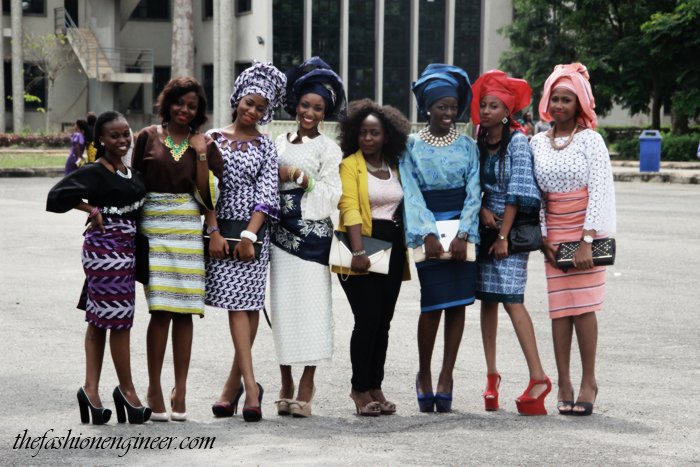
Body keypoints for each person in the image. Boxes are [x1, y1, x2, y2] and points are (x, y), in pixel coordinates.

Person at [47, 111, 150, 425]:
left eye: (125, 133)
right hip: (104, 251)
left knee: (100, 318)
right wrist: (91, 208)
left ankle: (90, 390)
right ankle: (127, 392)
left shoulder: (130, 172)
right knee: (118, 320)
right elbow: (57, 195)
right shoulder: (94, 171)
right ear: (101, 140)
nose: (122, 140)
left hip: (127, 251)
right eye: (114, 136)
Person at [132, 77, 221, 422]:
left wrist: (201, 153)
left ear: (199, 111)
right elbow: (133, 185)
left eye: (192, 106)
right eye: (179, 103)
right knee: (160, 310)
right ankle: (154, 388)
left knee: (185, 311)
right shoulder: (147, 136)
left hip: (187, 228)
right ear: (167, 103)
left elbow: (209, 197)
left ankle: (180, 389)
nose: (184, 110)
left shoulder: (206, 143)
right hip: (153, 230)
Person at [530, 63, 616, 416]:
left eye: (567, 99)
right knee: (560, 311)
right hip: (553, 234)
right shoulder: (536, 142)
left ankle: (588, 381)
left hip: (585, 233)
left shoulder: (591, 140)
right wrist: (543, 238)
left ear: (579, 103)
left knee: (583, 309)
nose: (560, 105)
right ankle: (563, 383)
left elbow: (600, 189)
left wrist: (586, 239)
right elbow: (535, 195)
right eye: (555, 98)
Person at [205, 61, 286, 423]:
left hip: (253, 236)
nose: (253, 111)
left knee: (245, 306)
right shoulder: (212, 138)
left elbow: (267, 194)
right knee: (243, 308)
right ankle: (239, 386)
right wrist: (213, 232)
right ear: (237, 98)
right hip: (220, 234)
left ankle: (245, 388)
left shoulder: (266, 146)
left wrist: (250, 236)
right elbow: (204, 188)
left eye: (261, 107)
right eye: (249, 103)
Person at [400, 64, 480, 413]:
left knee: (458, 304)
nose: (449, 113)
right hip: (429, 233)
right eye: (441, 106)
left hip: (462, 233)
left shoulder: (468, 146)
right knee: (432, 304)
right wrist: (427, 233)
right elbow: (411, 191)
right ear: (428, 108)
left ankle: (447, 376)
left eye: (453, 107)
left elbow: (474, 192)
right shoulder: (411, 145)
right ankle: (424, 373)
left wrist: (464, 233)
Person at [470, 70, 551, 415]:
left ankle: (539, 377)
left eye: (494, 106)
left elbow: (519, 191)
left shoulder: (518, 141)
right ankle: (492, 378)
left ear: (507, 111)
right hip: (485, 227)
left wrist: (503, 235)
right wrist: (482, 209)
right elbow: (473, 183)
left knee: (512, 300)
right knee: (487, 301)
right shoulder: (479, 139)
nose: (486, 111)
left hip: (510, 231)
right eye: (483, 105)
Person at [269, 57, 345, 418]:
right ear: (295, 105)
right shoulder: (278, 143)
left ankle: (307, 382)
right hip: (279, 238)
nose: (310, 113)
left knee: (314, 309)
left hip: (312, 239)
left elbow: (332, 194)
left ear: (325, 113)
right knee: (283, 309)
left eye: (318, 108)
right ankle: (285, 379)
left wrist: (300, 178)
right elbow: (264, 182)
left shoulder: (329, 149)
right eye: (305, 105)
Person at [335, 99, 411, 416]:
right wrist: (358, 251)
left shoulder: (395, 166)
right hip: (362, 244)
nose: (368, 138)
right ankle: (359, 388)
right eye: (363, 132)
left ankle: (375, 385)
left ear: (387, 136)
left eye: (374, 133)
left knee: (383, 322)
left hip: (394, 245)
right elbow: (349, 206)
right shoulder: (349, 165)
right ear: (354, 133)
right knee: (366, 319)